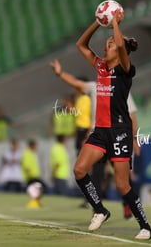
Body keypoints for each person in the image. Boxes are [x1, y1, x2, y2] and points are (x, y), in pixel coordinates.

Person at [73, 12, 151, 240]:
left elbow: (120, 43)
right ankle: (100, 210)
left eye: (109, 45)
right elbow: (81, 44)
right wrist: (98, 23)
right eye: (107, 45)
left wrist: (115, 23)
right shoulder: (100, 67)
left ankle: (145, 225)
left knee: (122, 185)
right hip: (100, 131)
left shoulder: (125, 71)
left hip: (120, 132)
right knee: (79, 170)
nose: (106, 47)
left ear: (119, 52)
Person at [50, 59, 140, 218]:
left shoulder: (122, 88)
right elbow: (77, 84)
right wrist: (60, 74)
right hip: (99, 135)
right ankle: (97, 209)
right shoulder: (94, 87)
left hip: (118, 135)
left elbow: (131, 115)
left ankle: (128, 204)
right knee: (96, 174)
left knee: (122, 177)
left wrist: (134, 138)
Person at [21, 140, 44, 208]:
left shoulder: (32, 153)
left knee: (38, 189)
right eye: (35, 146)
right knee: (36, 189)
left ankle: (36, 202)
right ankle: (33, 202)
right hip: (31, 177)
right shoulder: (27, 154)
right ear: (31, 146)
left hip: (35, 176)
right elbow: (26, 166)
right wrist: (29, 175)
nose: (36, 147)